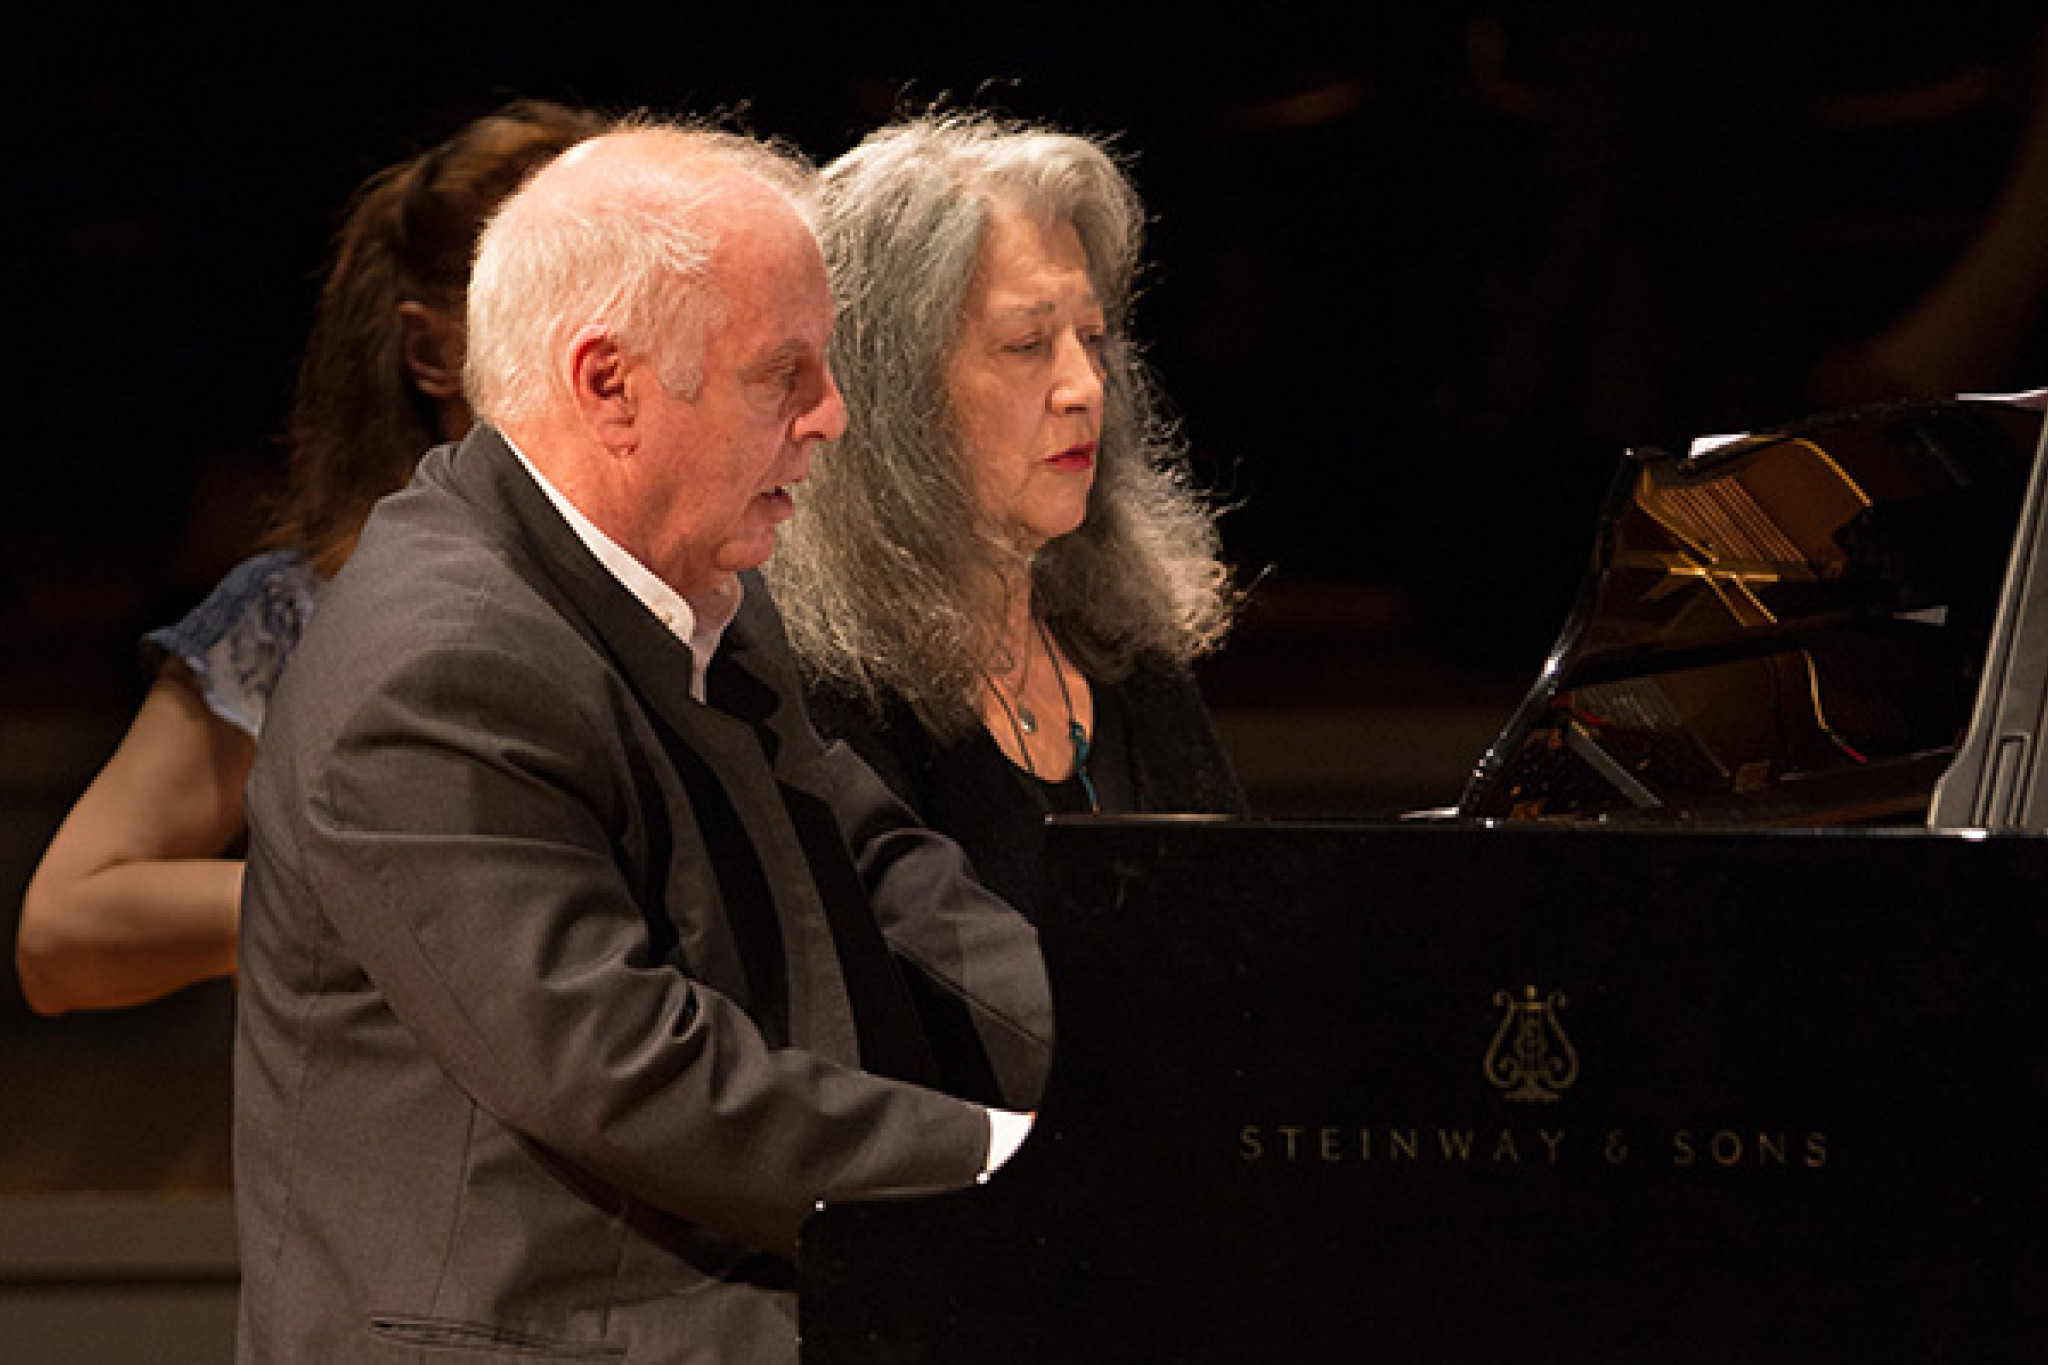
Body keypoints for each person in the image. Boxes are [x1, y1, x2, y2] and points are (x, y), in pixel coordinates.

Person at [231, 119, 1053, 1365]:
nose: (831, 417)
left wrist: (1130, 1040)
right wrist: (1019, 1160)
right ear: (607, 384)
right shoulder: (438, 666)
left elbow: (876, 861)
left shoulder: (689, 577)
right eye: (785, 373)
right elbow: (624, 1069)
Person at [14, 98, 605, 1015]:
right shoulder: (307, 608)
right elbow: (66, 930)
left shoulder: (720, 583)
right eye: (557, 311)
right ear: (430, 349)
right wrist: (400, 908)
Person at [764, 111, 1246, 921]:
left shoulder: (1123, 648)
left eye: (1091, 337)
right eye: (1028, 345)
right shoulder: (824, 694)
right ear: (894, 390)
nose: (1085, 385)